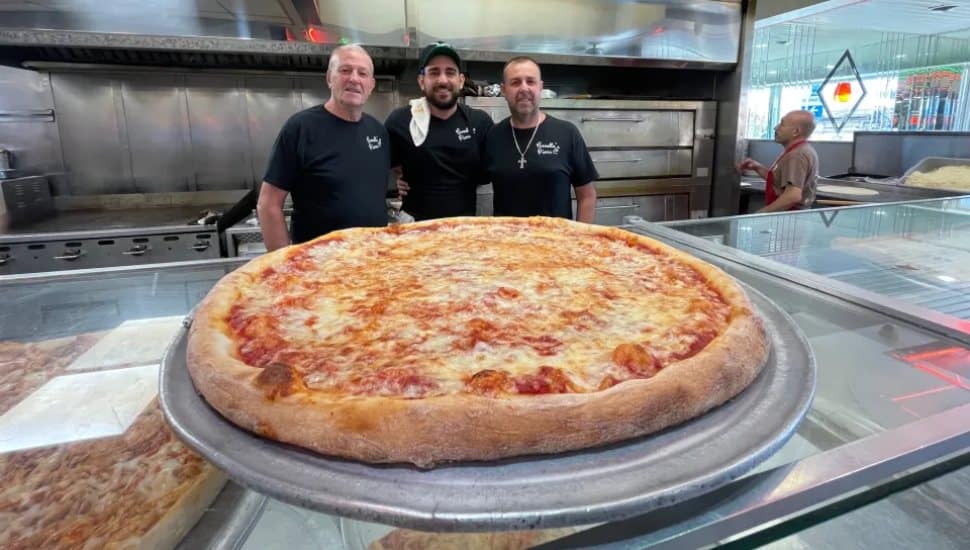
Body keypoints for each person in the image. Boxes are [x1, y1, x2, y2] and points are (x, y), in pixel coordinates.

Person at [257, 44, 390, 251]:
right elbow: (268, 204)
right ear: (329, 78)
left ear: (371, 85)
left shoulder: (378, 131)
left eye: (362, 73)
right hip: (319, 268)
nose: (354, 79)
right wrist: (284, 266)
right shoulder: (301, 128)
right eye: (345, 70)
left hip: (372, 260)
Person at [385, 43, 493, 220]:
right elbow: (381, 166)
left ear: (461, 80)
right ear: (421, 80)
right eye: (434, 72)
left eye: (450, 72)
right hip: (414, 230)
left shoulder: (480, 123)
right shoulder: (400, 121)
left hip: (464, 232)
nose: (443, 80)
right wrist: (395, 182)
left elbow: (487, 176)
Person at [483, 56, 598, 223]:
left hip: (555, 243)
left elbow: (587, 195)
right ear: (504, 90)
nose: (524, 88)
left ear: (540, 87)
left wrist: (581, 240)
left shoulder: (567, 133)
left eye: (530, 81)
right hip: (507, 243)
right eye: (515, 82)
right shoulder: (493, 135)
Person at [739, 110, 819, 213]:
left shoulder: (797, 155)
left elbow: (793, 196)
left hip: (789, 218)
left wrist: (761, 214)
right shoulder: (800, 150)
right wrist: (757, 167)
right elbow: (779, 182)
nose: (775, 128)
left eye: (782, 124)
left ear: (795, 132)